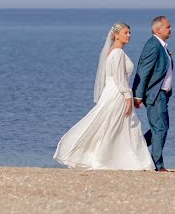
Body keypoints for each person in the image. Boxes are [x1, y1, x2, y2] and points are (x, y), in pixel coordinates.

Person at [53, 22, 155, 170]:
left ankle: (108, 157)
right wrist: (128, 97)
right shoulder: (118, 53)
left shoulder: (112, 52)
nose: (129, 35)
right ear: (116, 35)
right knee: (116, 126)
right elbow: (120, 79)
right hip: (118, 94)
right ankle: (113, 159)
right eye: (126, 33)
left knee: (111, 125)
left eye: (129, 33)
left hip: (112, 91)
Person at [132, 15, 173, 172]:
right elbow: (143, 70)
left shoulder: (161, 46)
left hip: (163, 95)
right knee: (159, 128)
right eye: (168, 27)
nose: (170, 29)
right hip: (155, 95)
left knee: (162, 127)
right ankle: (158, 165)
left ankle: (138, 148)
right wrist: (138, 95)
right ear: (158, 29)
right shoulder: (153, 45)